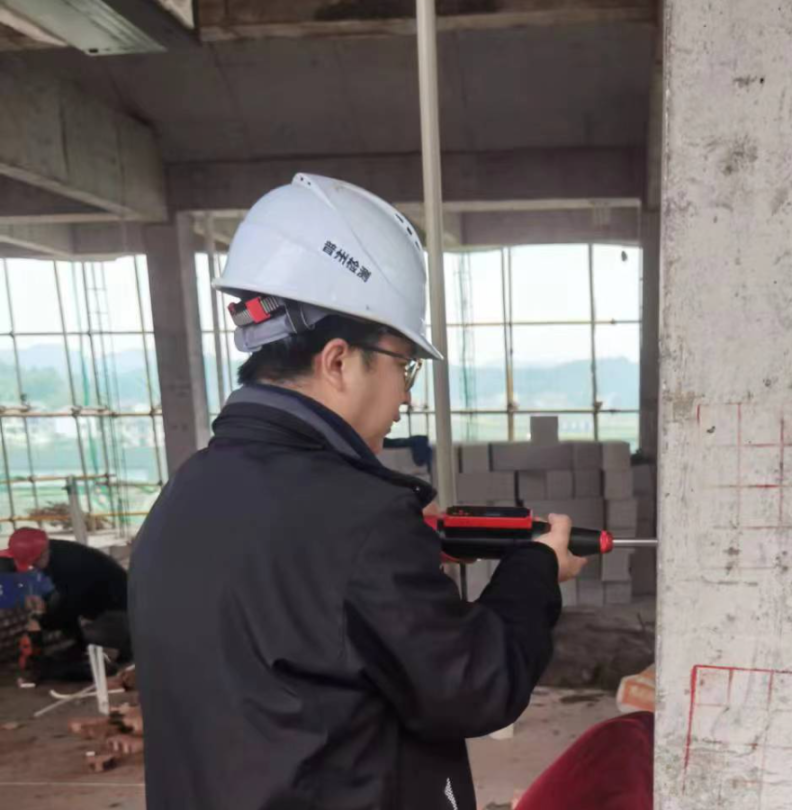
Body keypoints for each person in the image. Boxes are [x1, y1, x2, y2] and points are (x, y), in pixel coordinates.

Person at [129, 174, 587, 810]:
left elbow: (301, 611)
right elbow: (477, 686)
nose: (406, 395)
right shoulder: (357, 518)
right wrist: (536, 570)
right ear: (339, 361)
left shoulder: (189, 488)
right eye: (404, 365)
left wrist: (397, 559)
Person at [5, 527, 131, 667]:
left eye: (33, 563)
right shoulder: (51, 549)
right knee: (55, 603)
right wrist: (33, 595)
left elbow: (70, 606)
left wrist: (40, 622)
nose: (33, 567)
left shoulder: (70, 565)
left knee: (93, 634)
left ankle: (126, 649)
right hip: (94, 595)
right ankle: (80, 645)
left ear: (43, 554)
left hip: (120, 606)